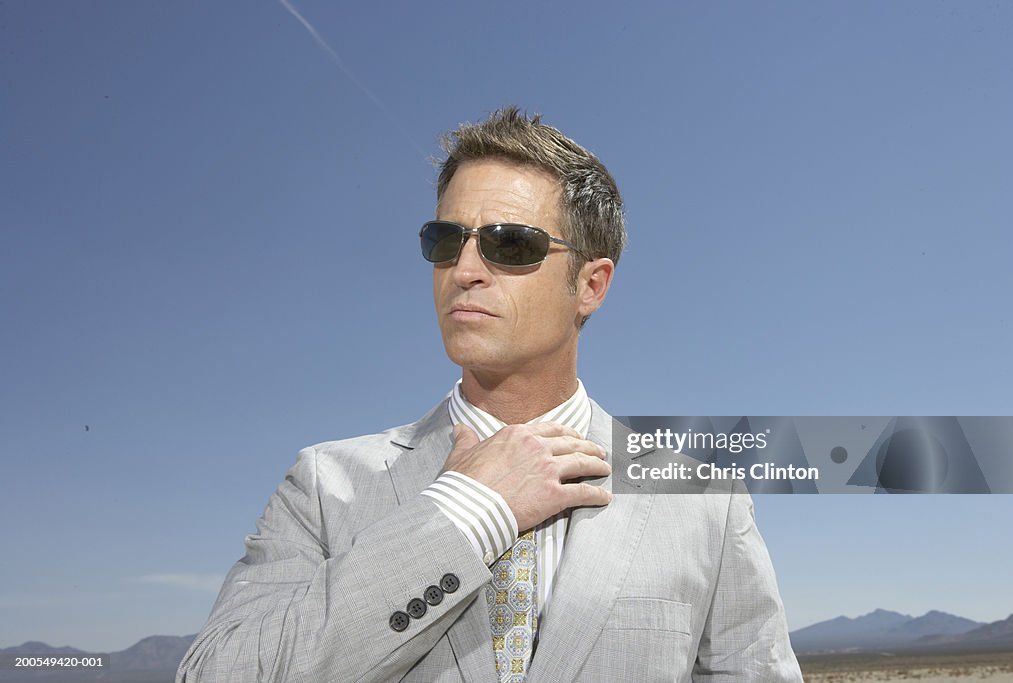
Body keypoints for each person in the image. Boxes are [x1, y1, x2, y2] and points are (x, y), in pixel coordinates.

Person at [177, 107, 802, 682]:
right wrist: (464, 513)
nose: (465, 269)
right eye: (447, 241)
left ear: (590, 284)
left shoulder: (703, 501)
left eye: (509, 245)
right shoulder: (323, 486)